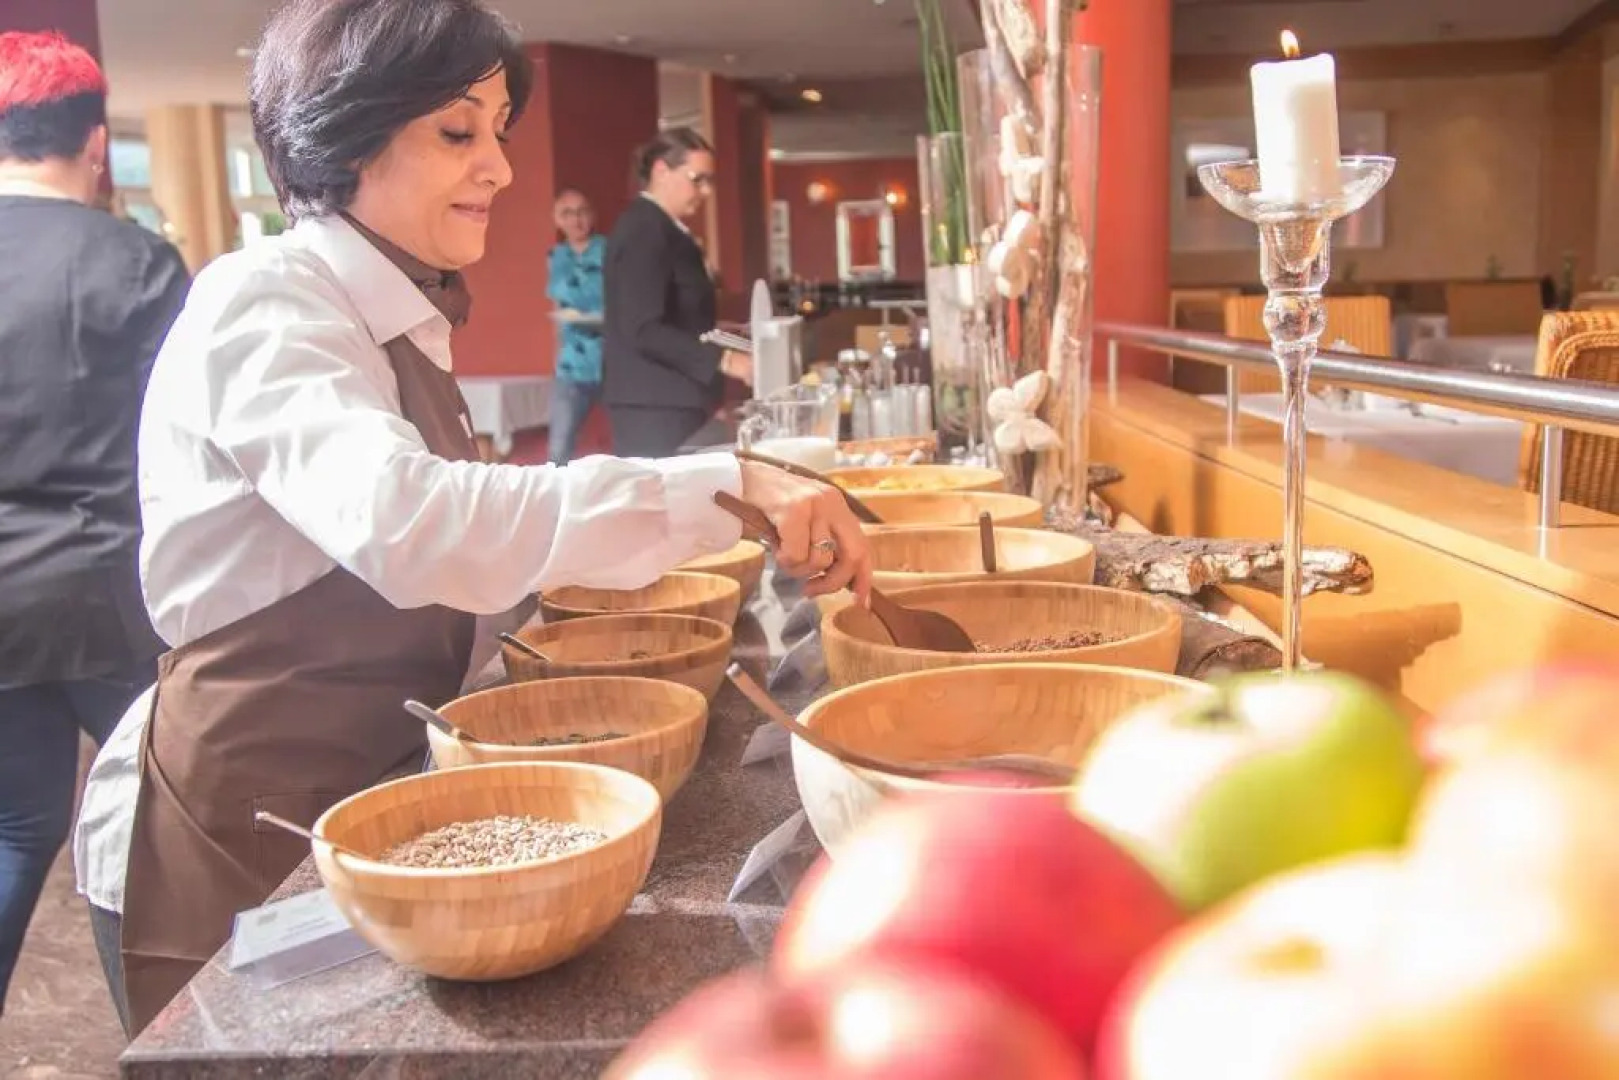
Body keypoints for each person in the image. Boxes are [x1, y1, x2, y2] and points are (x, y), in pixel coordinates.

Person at [70, 0, 870, 1038]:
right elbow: (412, 524)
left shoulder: (398, 308)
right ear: (344, 135)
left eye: (498, 131)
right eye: (458, 132)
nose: (497, 168)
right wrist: (732, 487)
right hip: (235, 817)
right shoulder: (264, 302)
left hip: (373, 797)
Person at [0, 31, 190, 1018]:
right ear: (93, 145)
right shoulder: (133, 259)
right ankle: (165, 1035)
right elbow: (198, 432)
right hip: (106, 591)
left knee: (16, 830)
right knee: (160, 820)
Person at [603, 127, 750, 457]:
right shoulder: (645, 230)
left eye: (710, 181)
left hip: (669, 399)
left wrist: (716, 332)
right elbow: (643, 328)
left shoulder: (665, 229)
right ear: (660, 171)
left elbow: (670, 310)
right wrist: (726, 360)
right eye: (698, 179)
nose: (707, 191)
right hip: (653, 403)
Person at [546, 188, 605, 463]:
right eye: (567, 213)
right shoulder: (556, 257)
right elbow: (559, 304)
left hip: (612, 359)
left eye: (581, 211)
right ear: (557, 219)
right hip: (571, 363)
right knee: (559, 447)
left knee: (631, 444)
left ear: (591, 215)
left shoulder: (609, 250)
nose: (575, 220)